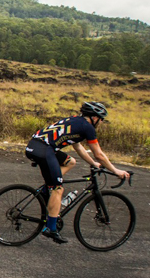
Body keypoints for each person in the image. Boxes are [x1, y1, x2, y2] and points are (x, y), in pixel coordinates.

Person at [25, 101, 131, 244]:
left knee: (70, 162)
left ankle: (47, 188)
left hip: (35, 146)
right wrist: (116, 170)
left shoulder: (75, 121)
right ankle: (50, 228)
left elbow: (78, 148)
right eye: (101, 119)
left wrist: (93, 163)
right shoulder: (88, 127)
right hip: (44, 150)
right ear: (94, 118)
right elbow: (99, 153)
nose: (101, 122)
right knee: (58, 189)